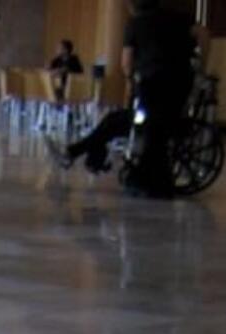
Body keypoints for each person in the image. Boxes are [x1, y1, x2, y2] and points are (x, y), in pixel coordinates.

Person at [47, 0, 193, 195]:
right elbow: (203, 34)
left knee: (115, 122)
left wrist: (132, 78)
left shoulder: (135, 24)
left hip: (151, 92)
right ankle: (77, 154)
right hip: (177, 92)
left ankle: (78, 154)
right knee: (114, 121)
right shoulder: (177, 18)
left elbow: (126, 63)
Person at [48, 36, 83, 102]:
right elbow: (49, 70)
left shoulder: (74, 59)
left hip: (72, 87)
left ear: (65, 50)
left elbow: (65, 70)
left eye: (59, 48)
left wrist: (57, 71)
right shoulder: (57, 59)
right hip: (58, 86)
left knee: (56, 92)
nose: (57, 50)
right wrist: (50, 69)